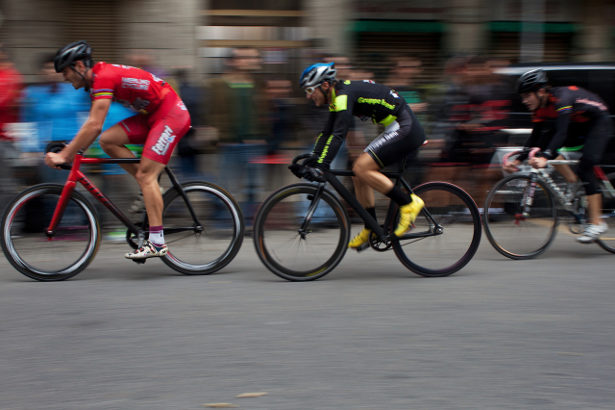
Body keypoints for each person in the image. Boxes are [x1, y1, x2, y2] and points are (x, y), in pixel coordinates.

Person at [44, 40, 191, 259]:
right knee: (108, 140)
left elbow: (94, 124)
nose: (64, 77)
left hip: (171, 115)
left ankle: (157, 243)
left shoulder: (103, 77)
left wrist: (65, 154)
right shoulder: (97, 81)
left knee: (146, 174)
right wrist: (71, 147)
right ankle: (147, 185)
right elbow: (94, 127)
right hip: (152, 116)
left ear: (80, 66)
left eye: (66, 71)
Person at [298, 62, 426, 251]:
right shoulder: (337, 98)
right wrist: (313, 157)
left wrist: (322, 164)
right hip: (395, 126)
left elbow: (339, 135)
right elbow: (327, 132)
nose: (308, 96)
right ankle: (371, 227)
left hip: (405, 127)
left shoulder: (342, 96)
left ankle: (409, 203)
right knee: (358, 173)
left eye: (310, 90)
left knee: (361, 167)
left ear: (325, 85)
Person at [505, 68, 612, 243]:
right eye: (522, 97)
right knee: (545, 148)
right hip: (578, 124)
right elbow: (535, 136)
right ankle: (572, 180)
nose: (524, 101)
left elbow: (561, 134)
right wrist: (517, 160)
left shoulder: (562, 98)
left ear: (540, 91)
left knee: (586, 166)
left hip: (598, 123)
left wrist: (545, 158)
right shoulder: (539, 107)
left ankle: (597, 222)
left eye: (527, 96)